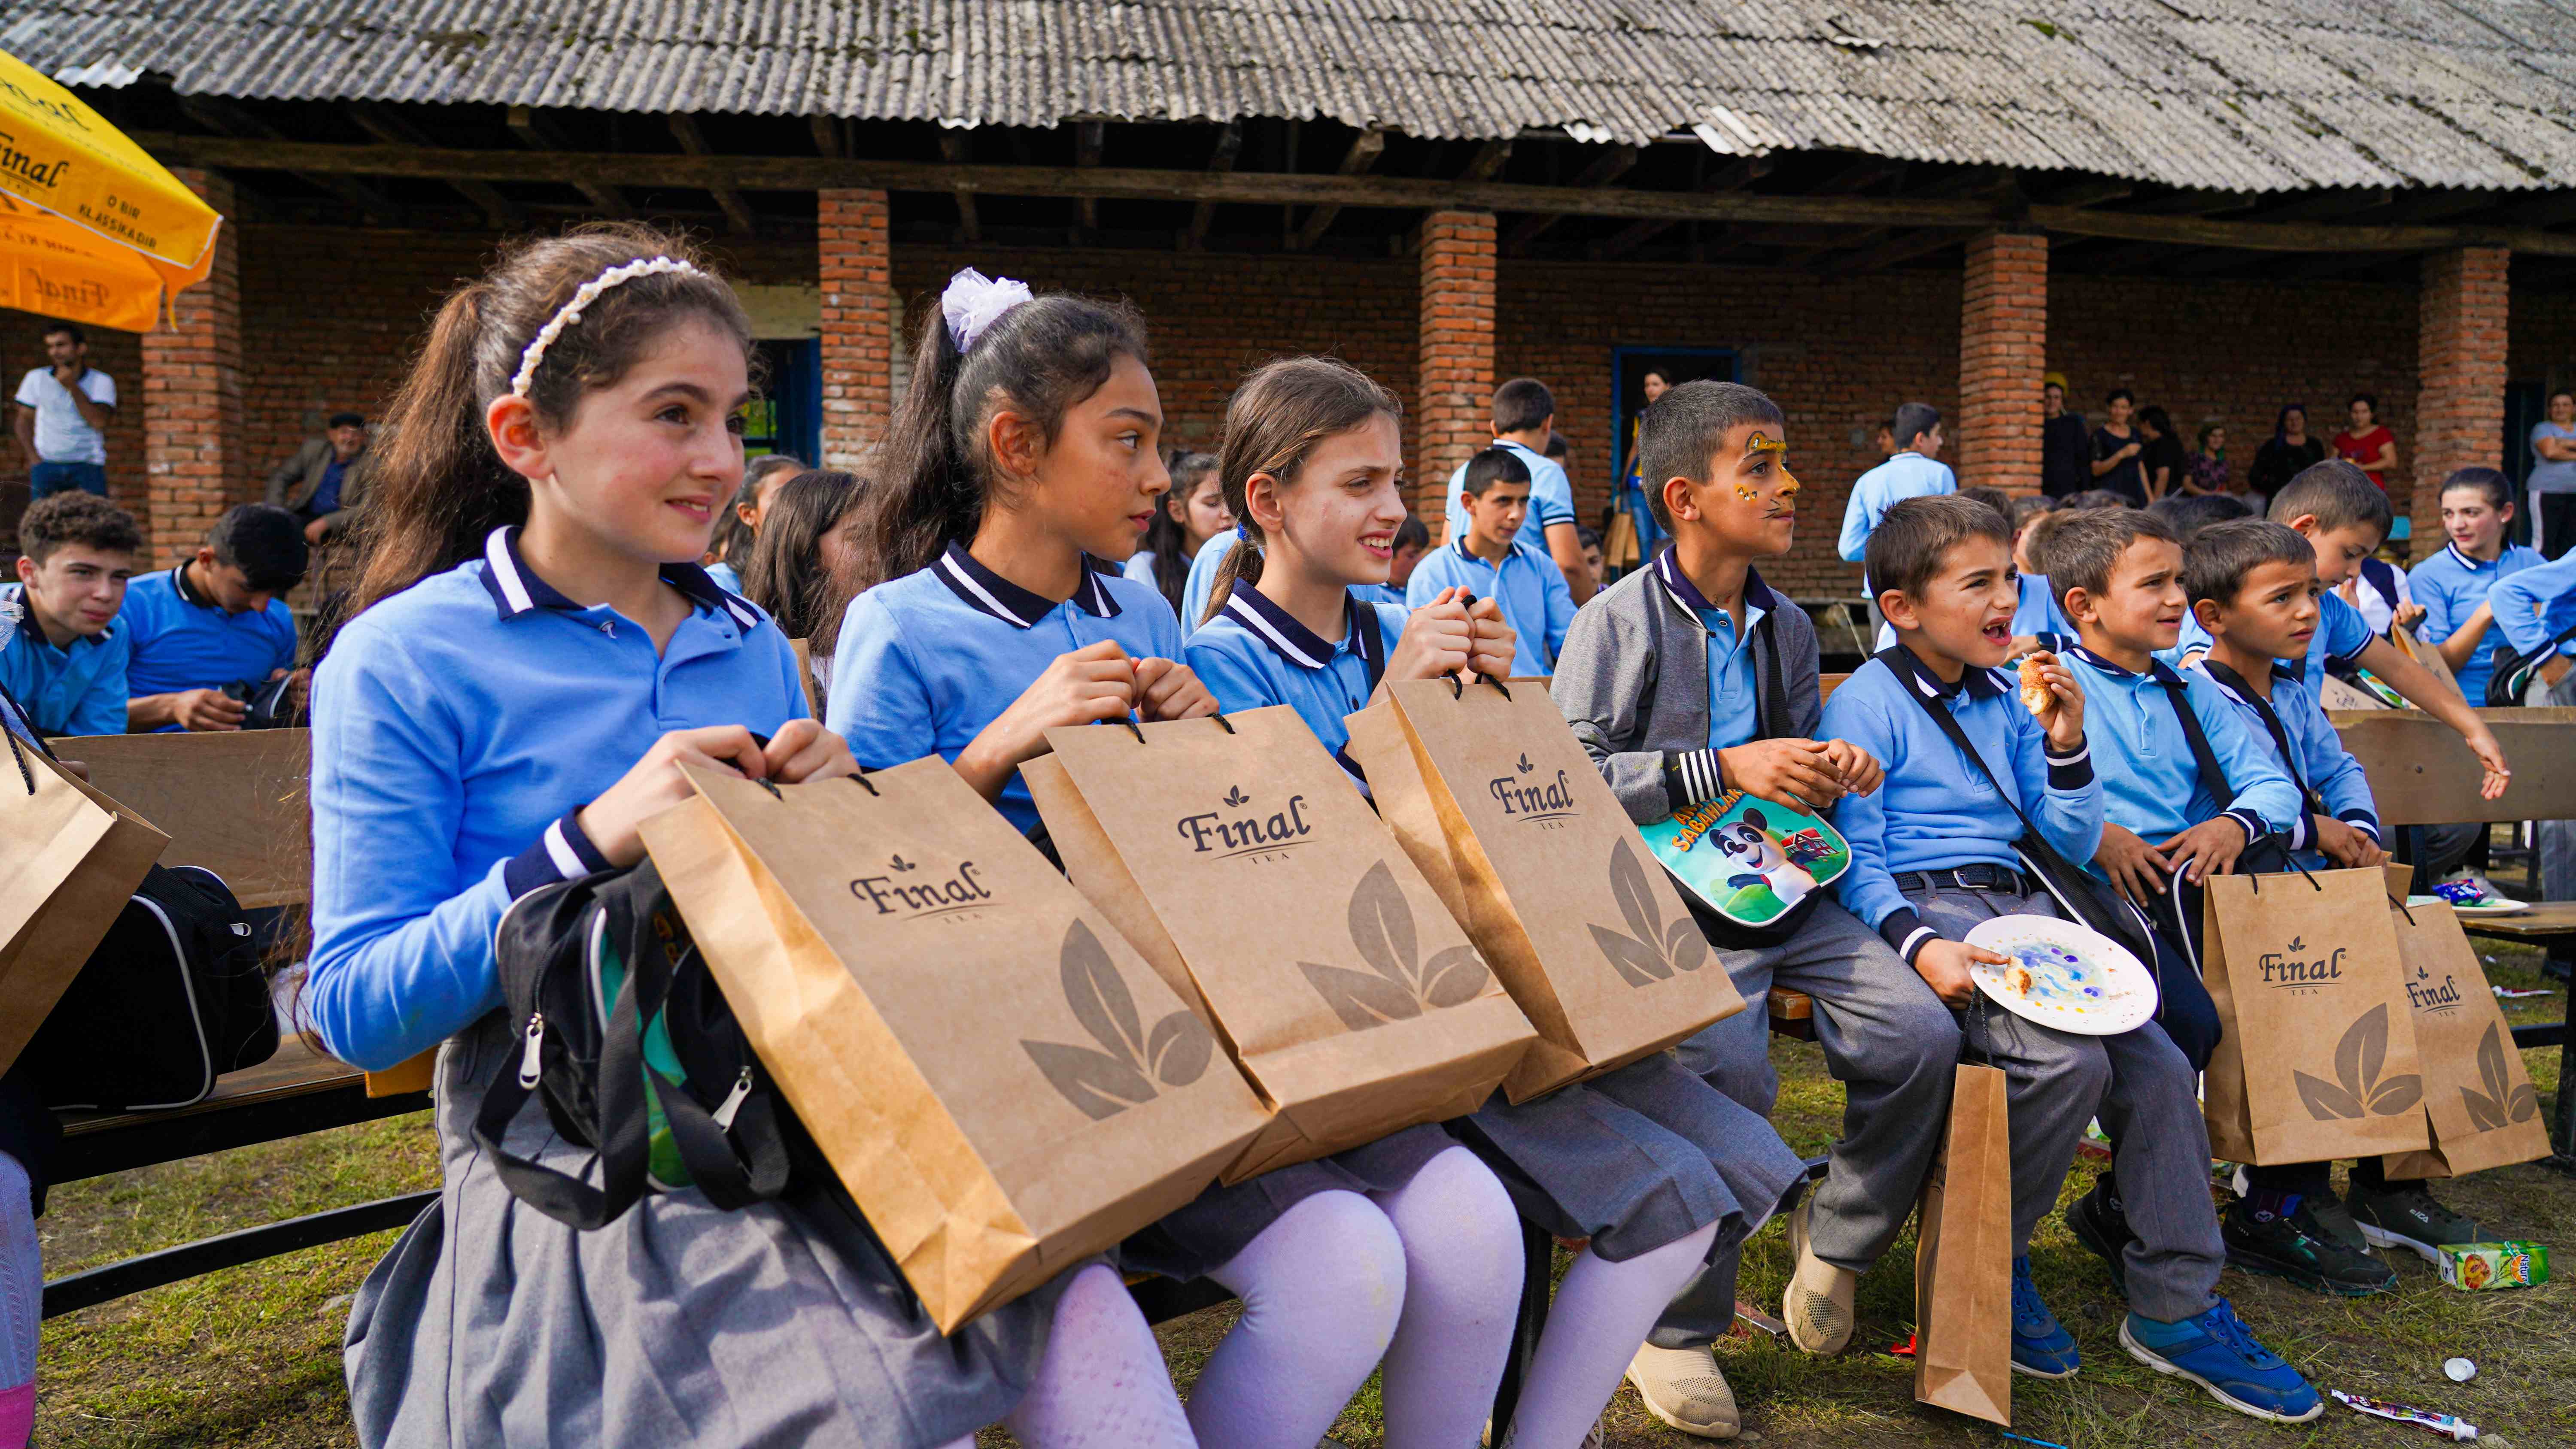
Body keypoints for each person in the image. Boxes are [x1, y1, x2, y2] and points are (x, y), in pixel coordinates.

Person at [300, 231, 1200, 1449]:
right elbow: (357, 1007)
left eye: (732, 417)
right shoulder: (406, 657)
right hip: (580, 1144)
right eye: (675, 415)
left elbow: (815, 939)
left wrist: (839, 818)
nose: (722, 459)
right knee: (847, 1396)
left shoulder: (747, 640)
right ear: (525, 438)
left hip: (798, 1100)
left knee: (1084, 1314)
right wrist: (590, 838)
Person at [828, 269, 1510, 1449]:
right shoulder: (900, 624)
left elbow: (1203, 852)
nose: (1159, 478)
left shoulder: (1143, 615)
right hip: (1000, 1074)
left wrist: (1203, 746)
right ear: (1016, 448)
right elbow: (850, 888)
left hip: (1171, 1039)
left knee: (1356, 1261)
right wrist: (997, 748)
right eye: (1128, 442)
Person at [1188, 357, 1780, 1449]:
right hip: (1371, 1028)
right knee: (1527, 1227)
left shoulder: (1398, 621)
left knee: (1722, 1168)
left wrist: (1502, 708)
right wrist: (1397, 709)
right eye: (1358, 484)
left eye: (1395, 479)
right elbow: (1285, 887)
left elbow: (1502, 811)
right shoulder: (1218, 666)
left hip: (1500, 986)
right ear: (1267, 501)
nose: (1391, 508)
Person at [1826, 497, 2319, 1421]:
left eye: (2009, 581)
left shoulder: (2007, 692)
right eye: (1978, 583)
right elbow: (1858, 855)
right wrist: (1918, 944)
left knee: (2159, 1065)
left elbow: (2067, 832)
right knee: (2068, 1063)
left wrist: (2065, 741)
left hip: (2026, 905)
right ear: (1902, 608)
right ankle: (1993, 1260)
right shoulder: (1868, 700)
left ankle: (2177, 1303)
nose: (2005, 601)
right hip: (1934, 907)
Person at [1553, 381, 1946, 1436]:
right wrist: (1723, 765)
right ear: (1686, 498)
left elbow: (1792, 768)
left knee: (1921, 1033)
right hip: (1671, 913)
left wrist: (1830, 766)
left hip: (1781, 891)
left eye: (1784, 464)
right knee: (1731, 1077)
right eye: (1760, 467)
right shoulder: (1613, 622)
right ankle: (1674, 1326)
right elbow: (1567, 778)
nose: (1791, 486)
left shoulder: (1786, 623)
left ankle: (1838, 1235)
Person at [2183, 518, 2492, 1291]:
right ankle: (2275, 1207)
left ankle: (2390, 1188)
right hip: (2246, 903)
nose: (2307, 612)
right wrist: (2318, 829)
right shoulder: (2198, 693)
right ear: (2214, 615)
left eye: (2313, 594)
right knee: (2313, 1025)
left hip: (2312, 891)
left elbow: (2338, 766)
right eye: (2282, 598)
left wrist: (2357, 827)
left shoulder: (2291, 690)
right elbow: (2246, 796)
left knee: (2401, 1000)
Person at [2049, 507, 2302, 1072]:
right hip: (2093, 894)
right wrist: (2098, 836)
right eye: (2154, 584)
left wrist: (2233, 825)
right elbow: (2020, 796)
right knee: (2192, 1021)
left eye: (2179, 580)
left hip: (2189, 894)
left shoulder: (2188, 688)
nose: (2177, 599)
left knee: (2279, 1012)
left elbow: (2274, 788)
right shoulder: (2050, 686)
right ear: (2084, 606)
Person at [2170, 464, 2512, 803]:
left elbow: (2398, 668)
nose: (2355, 572)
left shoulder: (2330, 608)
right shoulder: (2227, 607)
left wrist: (2472, 727)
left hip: (2293, 787)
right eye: (2350, 554)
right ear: (2305, 530)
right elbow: (2196, 690)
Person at [119, 503, 306, 733]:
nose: (261, 606)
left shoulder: (279, 618)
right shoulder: (128, 604)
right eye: (247, 588)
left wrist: (289, 693)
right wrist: (170, 708)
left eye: (275, 593)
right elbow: (84, 715)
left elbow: (270, 707)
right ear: (207, 560)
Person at [1406, 446, 1574, 678]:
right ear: (1469, 503)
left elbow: (1571, 645)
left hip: (1536, 693)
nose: (1516, 514)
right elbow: (1424, 661)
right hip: (1461, 697)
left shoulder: (1543, 566)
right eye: (1503, 501)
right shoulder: (1432, 571)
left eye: (1523, 501)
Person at [1439, 377, 1593, 605]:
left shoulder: (1462, 473)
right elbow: (1569, 565)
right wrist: (1590, 610)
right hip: (1522, 609)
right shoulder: (1547, 473)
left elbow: (1446, 547)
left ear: (1494, 427)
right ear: (1547, 424)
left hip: (1464, 607)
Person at [1, 493, 139, 736]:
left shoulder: (112, 631)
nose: (105, 594)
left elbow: (98, 739)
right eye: (83, 573)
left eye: (119, 577)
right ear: (30, 572)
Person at [737, 467, 865, 703]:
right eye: (859, 538)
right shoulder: (760, 651)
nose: (879, 552)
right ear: (806, 547)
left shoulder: (883, 633)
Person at [1835, 401, 1953, 568]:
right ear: (1920, 439)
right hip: (1925, 578)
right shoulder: (1940, 474)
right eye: (1937, 434)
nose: (1940, 441)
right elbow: (1953, 536)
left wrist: (1888, 550)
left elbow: (1849, 549)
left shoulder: (1866, 480)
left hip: (1879, 583)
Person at [12, 323, 115, 500]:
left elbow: (99, 422)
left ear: (81, 348)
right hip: (47, 466)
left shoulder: (101, 381)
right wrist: (34, 459)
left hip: (88, 466)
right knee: (43, 517)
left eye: (61, 345)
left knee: (93, 518)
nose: (55, 352)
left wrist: (71, 386)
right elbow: (23, 421)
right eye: (50, 346)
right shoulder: (36, 378)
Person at [1126, 449, 1228, 623]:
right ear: (1177, 511)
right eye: (1212, 504)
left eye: (1232, 502)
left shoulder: (1248, 565)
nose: (1227, 513)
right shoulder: (1147, 568)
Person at [264, 412, 373, 545]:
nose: (350, 438)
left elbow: (366, 508)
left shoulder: (371, 464)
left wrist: (327, 522)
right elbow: (281, 476)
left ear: (363, 437)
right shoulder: (315, 451)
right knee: (269, 528)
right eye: (344, 432)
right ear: (332, 435)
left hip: (343, 524)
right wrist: (277, 509)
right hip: (306, 515)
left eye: (355, 433)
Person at [705, 452, 805, 593]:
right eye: (782, 497)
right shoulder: (721, 584)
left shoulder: (819, 573)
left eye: (805, 496)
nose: (798, 505)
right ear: (748, 514)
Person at [1622, 368, 1674, 555]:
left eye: (1655, 384)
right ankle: (1646, 575)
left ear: (1668, 387)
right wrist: (1624, 480)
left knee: (1664, 539)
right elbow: (1635, 449)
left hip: (1665, 486)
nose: (1650, 389)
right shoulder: (1642, 416)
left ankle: (1664, 575)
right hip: (1639, 486)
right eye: (1647, 385)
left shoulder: (1678, 416)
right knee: (1643, 540)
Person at [2527, 388, 2576, 559]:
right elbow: (2550, 452)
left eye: (2566, 405)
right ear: (2549, 409)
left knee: (2571, 544)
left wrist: (2561, 442)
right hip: (2546, 491)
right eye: (2556, 405)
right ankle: (2538, 575)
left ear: (2574, 408)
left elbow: (2555, 448)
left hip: (2574, 493)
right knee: (2544, 542)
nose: (2561, 409)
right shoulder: (2542, 428)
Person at [2249, 404, 2328, 500]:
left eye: (2298, 418)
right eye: (2290, 419)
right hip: (2281, 500)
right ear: (2284, 422)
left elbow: (2323, 473)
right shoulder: (2273, 446)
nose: (2295, 423)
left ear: (2304, 420)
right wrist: (2274, 488)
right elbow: (2255, 476)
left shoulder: (2315, 445)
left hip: (2310, 499)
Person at [2331, 394, 2398, 498]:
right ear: (2350, 414)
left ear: (2372, 414)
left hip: (2372, 492)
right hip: (2346, 493)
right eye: (2355, 412)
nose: (2359, 417)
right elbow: (2331, 463)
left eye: (2364, 412)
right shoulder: (2341, 438)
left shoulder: (2381, 434)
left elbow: (2391, 462)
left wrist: (2363, 468)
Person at [2089, 390, 2148, 506]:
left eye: (2124, 408)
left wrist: (2150, 497)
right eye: (2115, 407)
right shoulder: (2099, 436)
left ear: (2131, 410)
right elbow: (2096, 471)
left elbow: (2141, 468)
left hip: (2135, 494)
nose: (2119, 412)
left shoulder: (2135, 434)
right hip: (2111, 497)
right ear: (2109, 408)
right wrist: (2121, 454)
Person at [2041, 376, 2090, 500]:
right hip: (2042, 486)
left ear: (2062, 401)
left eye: (2056, 398)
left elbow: (2083, 457)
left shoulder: (2073, 423)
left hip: (2069, 487)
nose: (2052, 402)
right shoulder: (2036, 425)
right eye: (2048, 397)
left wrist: (2085, 488)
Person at [2136, 406, 2188, 503]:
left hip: (2166, 499)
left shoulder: (2162, 445)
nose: (2138, 427)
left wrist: (2155, 504)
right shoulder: (2172, 442)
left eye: (2139, 423)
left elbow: (2163, 475)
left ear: (2147, 423)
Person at [2187, 422, 2230, 498]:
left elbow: (2224, 487)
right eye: (2213, 436)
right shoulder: (2194, 458)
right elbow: (2187, 485)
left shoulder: (2223, 462)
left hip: (2217, 502)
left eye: (2221, 436)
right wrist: (2209, 495)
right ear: (2205, 438)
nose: (2217, 440)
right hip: (2197, 502)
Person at [1578, 524, 1606, 594]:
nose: (1589, 572)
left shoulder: (1619, 598)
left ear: (1603, 562)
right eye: (1580, 564)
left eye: (1593, 562)